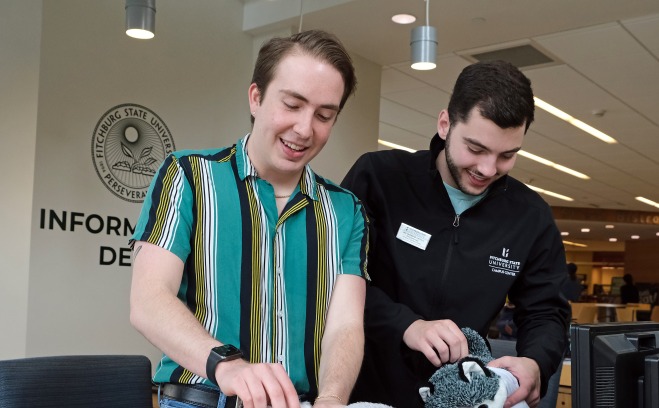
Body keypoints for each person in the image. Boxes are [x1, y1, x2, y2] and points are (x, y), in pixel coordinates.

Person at [129, 30, 369, 408]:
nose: (305, 129)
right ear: (256, 97)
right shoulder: (189, 176)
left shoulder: (346, 210)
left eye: (324, 115)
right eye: (292, 105)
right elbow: (148, 300)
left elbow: (345, 325)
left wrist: (333, 398)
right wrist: (226, 366)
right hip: (202, 399)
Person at [341, 60, 570, 408]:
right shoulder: (379, 178)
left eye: (507, 155)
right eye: (476, 149)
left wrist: (536, 362)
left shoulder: (530, 216)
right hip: (363, 390)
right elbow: (335, 279)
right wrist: (408, 325)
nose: (488, 169)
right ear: (445, 123)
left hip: (462, 396)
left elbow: (546, 311)